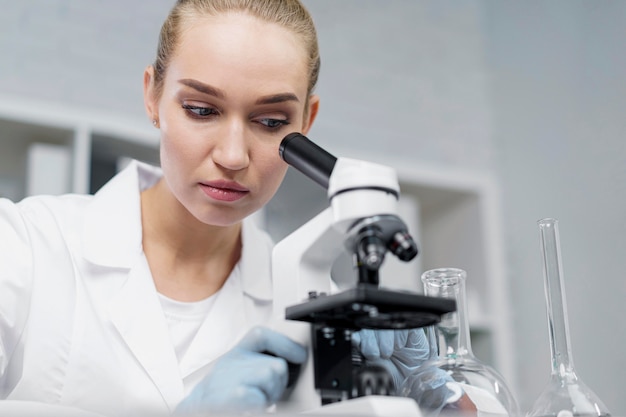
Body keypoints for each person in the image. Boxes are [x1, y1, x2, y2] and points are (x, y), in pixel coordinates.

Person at [0, 1, 437, 416]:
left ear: (307, 121)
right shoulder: (24, 246)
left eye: (271, 122)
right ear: (152, 96)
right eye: (201, 109)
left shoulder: (311, 297)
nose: (232, 156)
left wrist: (425, 388)